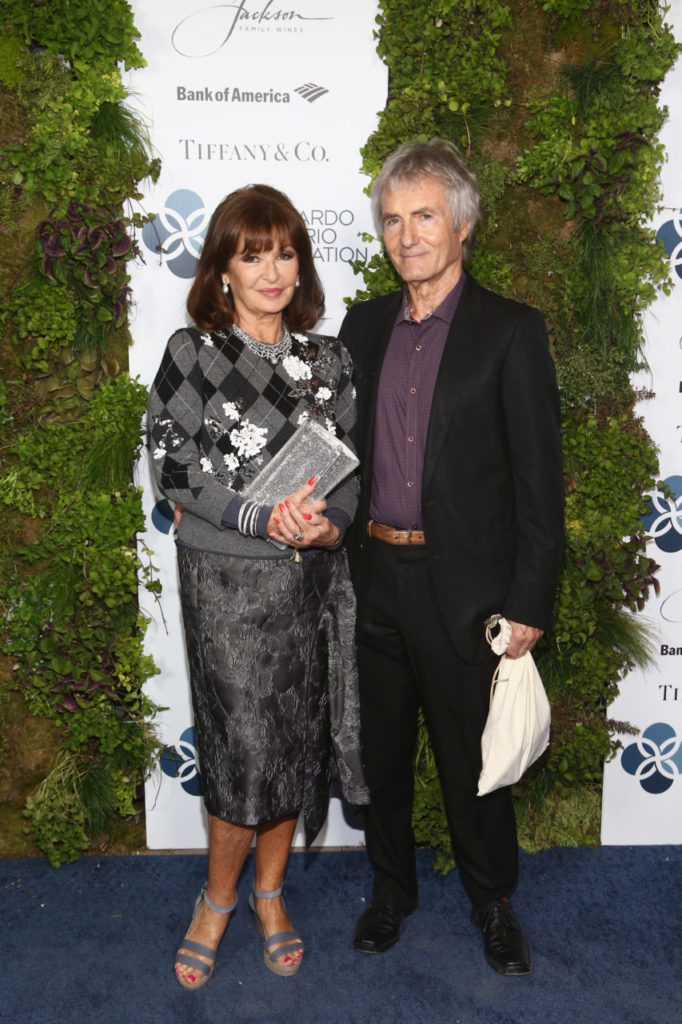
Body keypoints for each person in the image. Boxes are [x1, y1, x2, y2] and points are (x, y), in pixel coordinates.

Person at [339, 139, 564, 976]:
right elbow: (338, 457)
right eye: (393, 220)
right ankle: (390, 893)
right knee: (383, 752)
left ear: (462, 225)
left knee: (476, 760)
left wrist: (531, 602)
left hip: (467, 591)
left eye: (424, 215)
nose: (407, 236)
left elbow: (540, 484)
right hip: (373, 583)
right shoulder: (361, 327)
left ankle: (493, 902)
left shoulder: (510, 331)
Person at [148, 184, 367, 989]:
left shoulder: (328, 359)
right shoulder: (192, 353)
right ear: (223, 269)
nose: (273, 270)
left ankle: (270, 896)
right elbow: (174, 470)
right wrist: (257, 518)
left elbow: (348, 476)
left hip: (308, 584)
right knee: (243, 753)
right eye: (253, 254)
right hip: (229, 592)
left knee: (293, 748)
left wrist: (327, 525)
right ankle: (216, 899)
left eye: (285, 251)